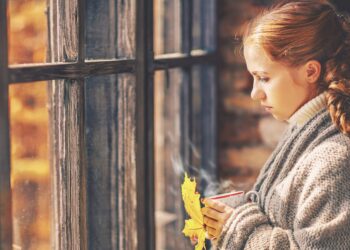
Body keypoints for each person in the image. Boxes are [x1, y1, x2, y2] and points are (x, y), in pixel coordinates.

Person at [201, 1, 350, 249]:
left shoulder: (335, 158)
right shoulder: (300, 130)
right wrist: (233, 215)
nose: (254, 93)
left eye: (264, 78)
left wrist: (238, 230)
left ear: (311, 71)